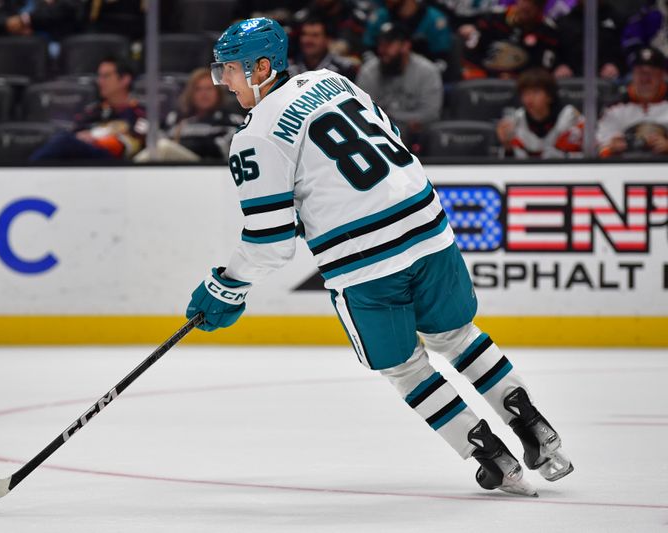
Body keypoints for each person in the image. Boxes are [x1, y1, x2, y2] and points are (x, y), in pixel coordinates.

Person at [186, 17, 574, 496]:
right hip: (429, 228)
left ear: (262, 67)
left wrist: (225, 286)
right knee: (458, 337)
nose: (223, 80)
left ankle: (489, 456)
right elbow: (391, 140)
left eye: (229, 70)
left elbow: (270, 242)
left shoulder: (255, 136)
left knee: (406, 368)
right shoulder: (333, 81)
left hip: (365, 260)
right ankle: (537, 429)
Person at [30, 56, 147, 161]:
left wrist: (97, 139)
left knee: (64, 142)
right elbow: (75, 134)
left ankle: (29, 171)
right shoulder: (93, 111)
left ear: (125, 79)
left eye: (106, 76)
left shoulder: (139, 113)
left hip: (118, 164)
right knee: (59, 138)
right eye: (99, 76)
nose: (100, 81)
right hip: (86, 161)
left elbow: (138, 144)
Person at [356, 22, 443, 134]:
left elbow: (430, 113)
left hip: (417, 137)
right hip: (377, 134)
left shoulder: (427, 71)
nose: (382, 50)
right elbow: (361, 110)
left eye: (388, 45)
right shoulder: (369, 71)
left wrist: (393, 116)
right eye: (380, 44)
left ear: (405, 46)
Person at [458, 0, 561, 79]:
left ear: (540, 9)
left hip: (522, 85)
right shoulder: (493, 18)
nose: (526, 6)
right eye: (524, 1)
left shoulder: (548, 33)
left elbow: (542, 70)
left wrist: (514, 78)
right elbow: (470, 54)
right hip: (484, 79)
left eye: (533, 4)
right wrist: (490, 75)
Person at [496, 67, 584, 158]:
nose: (529, 100)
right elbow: (512, 165)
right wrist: (507, 146)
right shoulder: (517, 120)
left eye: (535, 92)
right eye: (525, 94)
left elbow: (586, 157)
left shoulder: (570, 117)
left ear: (549, 96)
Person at [597, 46, 668, 157]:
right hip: (625, 170)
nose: (645, 79)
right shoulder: (614, 107)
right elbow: (599, 151)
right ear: (633, 75)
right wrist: (611, 149)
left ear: (662, 75)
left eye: (651, 73)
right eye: (640, 73)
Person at [162, 67, 244, 161]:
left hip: (211, 168)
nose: (204, 94)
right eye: (198, 89)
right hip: (173, 170)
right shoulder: (176, 118)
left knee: (163, 148)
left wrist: (186, 145)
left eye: (209, 89)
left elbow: (223, 149)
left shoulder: (230, 119)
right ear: (190, 93)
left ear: (218, 92)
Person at [553, 0, 624, 80]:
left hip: (611, 82)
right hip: (570, 82)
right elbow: (552, 53)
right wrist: (559, 66)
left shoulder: (619, 20)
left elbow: (627, 53)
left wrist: (617, 66)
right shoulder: (562, 23)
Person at [288, 16, 359, 81]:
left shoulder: (345, 68)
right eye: (304, 34)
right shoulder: (289, 68)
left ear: (328, 40)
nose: (308, 40)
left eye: (315, 35)